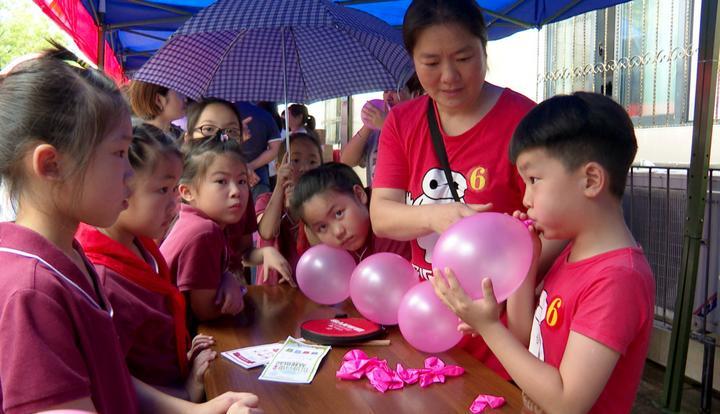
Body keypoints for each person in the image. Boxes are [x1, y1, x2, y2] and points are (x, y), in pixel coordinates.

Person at [0, 44, 260, 413]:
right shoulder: (32, 290)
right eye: (120, 153)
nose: (129, 174)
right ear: (51, 164)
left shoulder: (69, 257)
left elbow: (112, 377)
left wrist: (196, 410)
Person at [369, 0, 566, 379]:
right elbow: (382, 215)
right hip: (426, 324)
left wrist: (514, 279)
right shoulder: (403, 122)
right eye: (430, 63)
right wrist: (436, 216)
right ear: (412, 60)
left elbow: (559, 223)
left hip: (501, 332)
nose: (449, 77)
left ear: (484, 47)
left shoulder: (524, 121)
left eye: (463, 58)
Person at [431, 92, 655, 413]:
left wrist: (489, 329)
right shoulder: (573, 255)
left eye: (534, 180)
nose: (526, 199)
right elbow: (527, 339)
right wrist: (527, 260)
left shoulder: (617, 278)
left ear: (591, 180)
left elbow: (566, 402)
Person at [75, 124, 215, 402]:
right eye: (163, 189)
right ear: (120, 184)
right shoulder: (102, 278)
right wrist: (185, 394)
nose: (175, 204)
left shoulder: (142, 243)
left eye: (175, 189)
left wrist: (183, 357)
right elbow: (114, 378)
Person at [161, 132, 291, 328]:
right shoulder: (203, 232)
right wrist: (238, 291)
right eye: (221, 181)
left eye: (242, 181)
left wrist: (226, 278)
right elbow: (204, 311)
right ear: (187, 192)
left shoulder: (196, 222)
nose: (236, 191)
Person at [291, 163, 411, 263]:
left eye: (338, 213)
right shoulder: (332, 253)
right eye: (322, 227)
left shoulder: (390, 227)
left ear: (359, 195)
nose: (338, 232)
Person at [255, 133, 323, 284]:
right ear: (279, 167)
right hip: (272, 288)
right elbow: (267, 232)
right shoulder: (265, 200)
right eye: (296, 160)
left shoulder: (324, 205)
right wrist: (280, 187)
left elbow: (320, 245)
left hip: (312, 286)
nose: (305, 168)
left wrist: (300, 210)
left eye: (312, 162)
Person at [341, 75, 423, 186]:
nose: (388, 97)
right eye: (385, 91)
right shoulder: (376, 129)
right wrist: (367, 126)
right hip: (378, 200)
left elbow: (418, 159)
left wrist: (387, 126)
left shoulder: (421, 127)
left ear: (415, 94)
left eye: (395, 90)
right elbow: (346, 161)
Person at [234, 102, 282, 198]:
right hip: (259, 177)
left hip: (229, 177)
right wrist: (250, 166)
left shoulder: (224, 114)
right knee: (260, 210)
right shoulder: (264, 115)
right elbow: (275, 149)